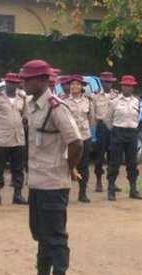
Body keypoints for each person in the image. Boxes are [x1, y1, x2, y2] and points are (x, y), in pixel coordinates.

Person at [12, 59, 83, 275]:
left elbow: (76, 142)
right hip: (38, 182)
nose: (24, 83)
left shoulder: (57, 108)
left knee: (55, 238)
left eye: (28, 79)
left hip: (54, 183)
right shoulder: (31, 106)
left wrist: (70, 168)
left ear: (42, 80)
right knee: (40, 234)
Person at [0, 73, 28, 207]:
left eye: (15, 83)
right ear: (6, 83)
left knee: (18, 168)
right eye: (10, 82)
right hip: (2, 139)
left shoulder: (22, 98)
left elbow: (24, 117)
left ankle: (17, 194)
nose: (13, 85)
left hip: (18, 138)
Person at [105, 75, 142, 201]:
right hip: (118, 132)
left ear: (133, 87)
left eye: (130, 86)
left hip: (132, 133)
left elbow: (138, 117)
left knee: (132, 162)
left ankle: (133, 189)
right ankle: (111, 189)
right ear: (122, 86)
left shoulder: (136, 101)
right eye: (126, 85)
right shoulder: (114, 101)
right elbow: (107, 119)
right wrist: (115, 130)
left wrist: (133, 129)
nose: (128, 88)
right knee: (114, 162)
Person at [62, 74, 95, 203]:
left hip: (85, 136)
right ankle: (65, 194)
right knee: (67, 165)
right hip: (70, 138)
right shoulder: (64, 101)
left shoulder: (88, 101)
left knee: (84, 165)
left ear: (82, 87)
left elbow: (91, 120)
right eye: (72, 84)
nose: (74, 86)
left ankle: (82, 193)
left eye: (77, 84)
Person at [93, 72, 120, 192]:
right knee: (99, 155)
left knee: (113, 156)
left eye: (109, 82)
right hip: (102, 126)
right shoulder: (96, 96)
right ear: (101, 82)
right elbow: (92, 114)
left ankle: (112, 182)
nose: (107, 84)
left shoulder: (117, 96)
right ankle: (98, 181)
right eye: (105, 82)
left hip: (114, 127)